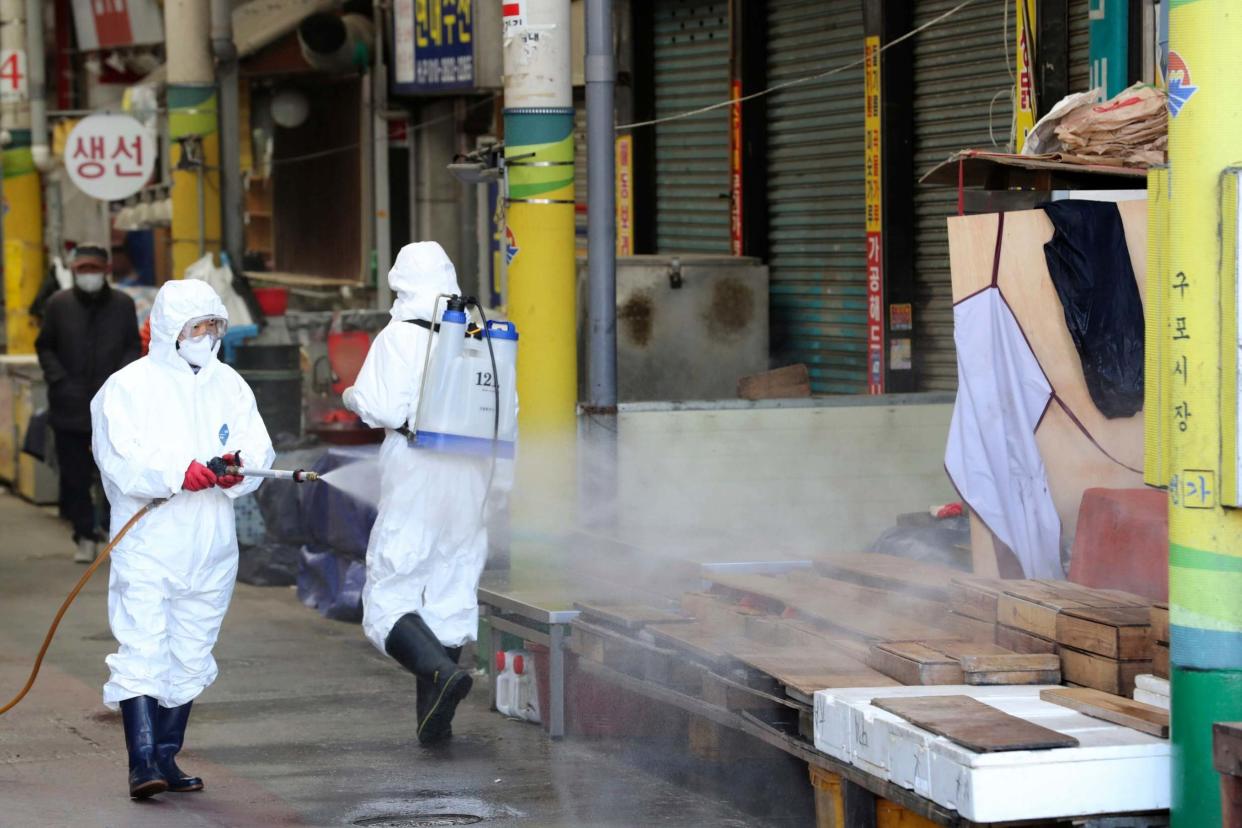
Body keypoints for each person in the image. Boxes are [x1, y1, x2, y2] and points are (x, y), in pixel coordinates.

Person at [90, 279, 275, 799]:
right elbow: (120, 459)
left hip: (210, 543)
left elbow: (256, 448)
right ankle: (141, 762)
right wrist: (179, 471)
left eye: (214, 326)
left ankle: (167, 757)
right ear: (172, 330)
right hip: (149, 539)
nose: (207, 336)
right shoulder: (128, 387)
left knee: (191, 651)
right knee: (144, 645)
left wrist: (242, 472)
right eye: (197, 327)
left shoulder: (230, 385)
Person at [343, 242, 495, 745]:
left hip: (418, 469)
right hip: (473, 473)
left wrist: (352, 395)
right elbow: (503, 411)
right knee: (450, 590)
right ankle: (436, 725)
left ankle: (440, 674)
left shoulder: (399, 337)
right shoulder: (482, 334)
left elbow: (382, 407)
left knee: (390, 593)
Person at [35, 244, 142, 563]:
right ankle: (83, 534)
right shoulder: (58, 305)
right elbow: (45, 347)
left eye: (94, 269)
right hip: (69, 406)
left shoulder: (122, 305)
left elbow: (132, 345)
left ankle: (113, 533)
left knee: (114, 475)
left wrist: (121, 382)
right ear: (73, 271)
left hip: (113, 409)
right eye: (82, 270)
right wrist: (60, 380)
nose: (88, 275)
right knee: (75, 477)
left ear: (106, 271)